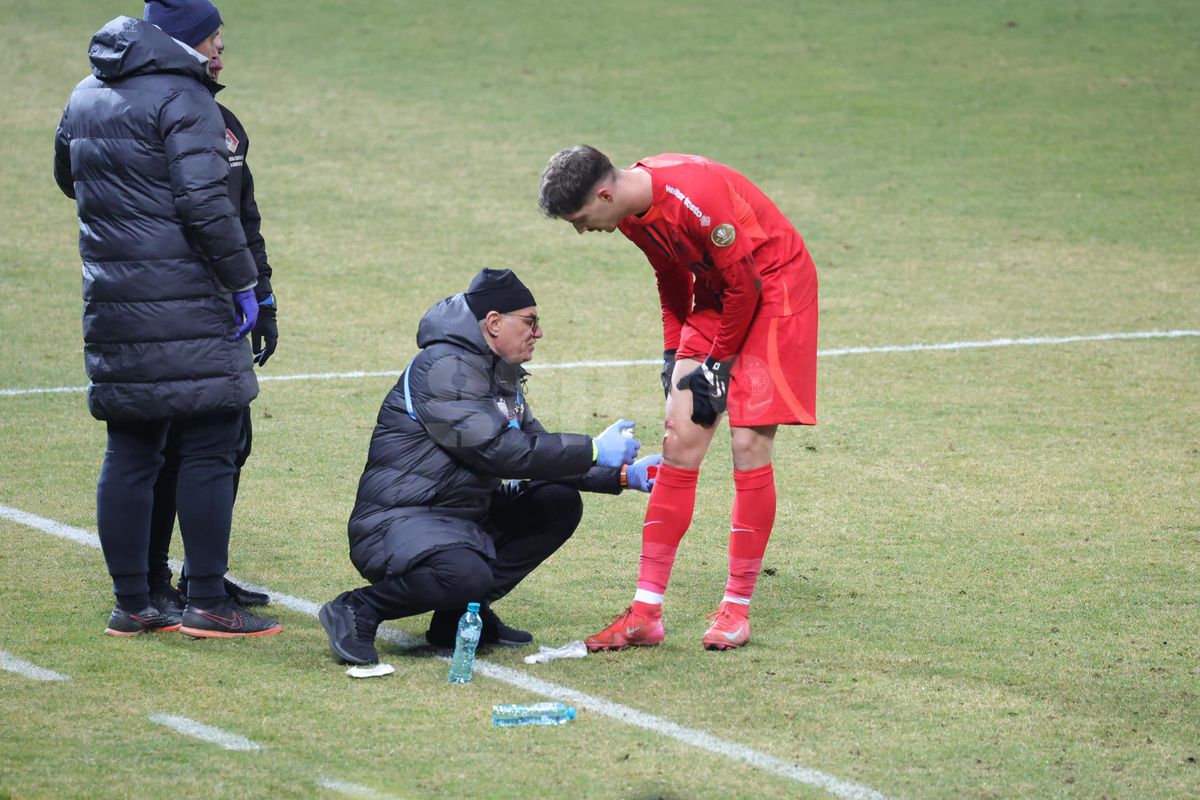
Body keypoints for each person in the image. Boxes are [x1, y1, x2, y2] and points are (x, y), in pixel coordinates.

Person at [53, 1, 280, 638]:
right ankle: (206, 599)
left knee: (130, 449)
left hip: (114, 300)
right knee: (211, 444)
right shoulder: (187, 99)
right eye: (214, 41)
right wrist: (245, 285)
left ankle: (135, 603)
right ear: (184, 42)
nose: (219, 53)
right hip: (191, 299)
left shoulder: (85, 95)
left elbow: (70, 178)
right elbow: (207, 204)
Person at [538, 146, 819, 651]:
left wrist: (716, 366)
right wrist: (675, 351)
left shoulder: (697, 197)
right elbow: (671, 276)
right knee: (678, 440)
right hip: (722, 293)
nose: (582, 231)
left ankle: (736, 609)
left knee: (748, 445)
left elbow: (747, 285)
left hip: (774, 288)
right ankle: (645, 614)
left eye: (581, 219)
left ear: (604, 194)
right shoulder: (629, 214)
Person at [319, 268, 660, 666]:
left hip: (457, 518)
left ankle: (458, 618)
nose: (539, 332)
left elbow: (537, 450)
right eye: (530, 321)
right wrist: (594, 449)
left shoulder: (497, 371)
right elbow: (500, 451)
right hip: (397, 521)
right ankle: (359, 608)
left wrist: (622, 475)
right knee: (466, 575)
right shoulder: (444, 369)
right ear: (494, 322)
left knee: (555, 501)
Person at [142, 3, 279, 614]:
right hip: (171, 308)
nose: (220, 53)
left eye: (220, 41)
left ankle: (202, 576)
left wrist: (263, 295)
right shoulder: (151, 117)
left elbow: (242, 217)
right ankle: (151, 583)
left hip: (221, 309)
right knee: (164, 447)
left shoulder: (224, 124)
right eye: (211, 42)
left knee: (229, 443)